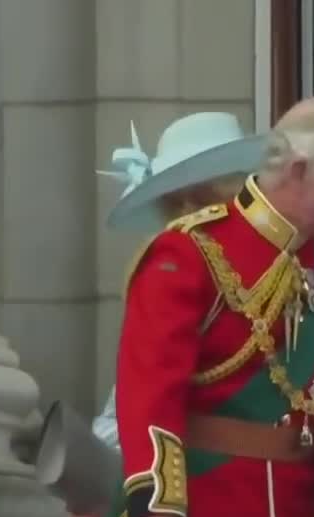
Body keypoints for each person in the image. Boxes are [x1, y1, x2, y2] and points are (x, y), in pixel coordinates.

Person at [115, 98, 314, 517]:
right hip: (205, 515)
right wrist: (158, 510)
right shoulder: (188, 252)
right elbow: (149, 392)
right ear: (298, 171)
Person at [93, 112, 263, 455]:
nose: (189, 219)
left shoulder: (280, 272)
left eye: (204, 203)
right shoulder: (164, 278)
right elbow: (125, 411)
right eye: (175, 207)